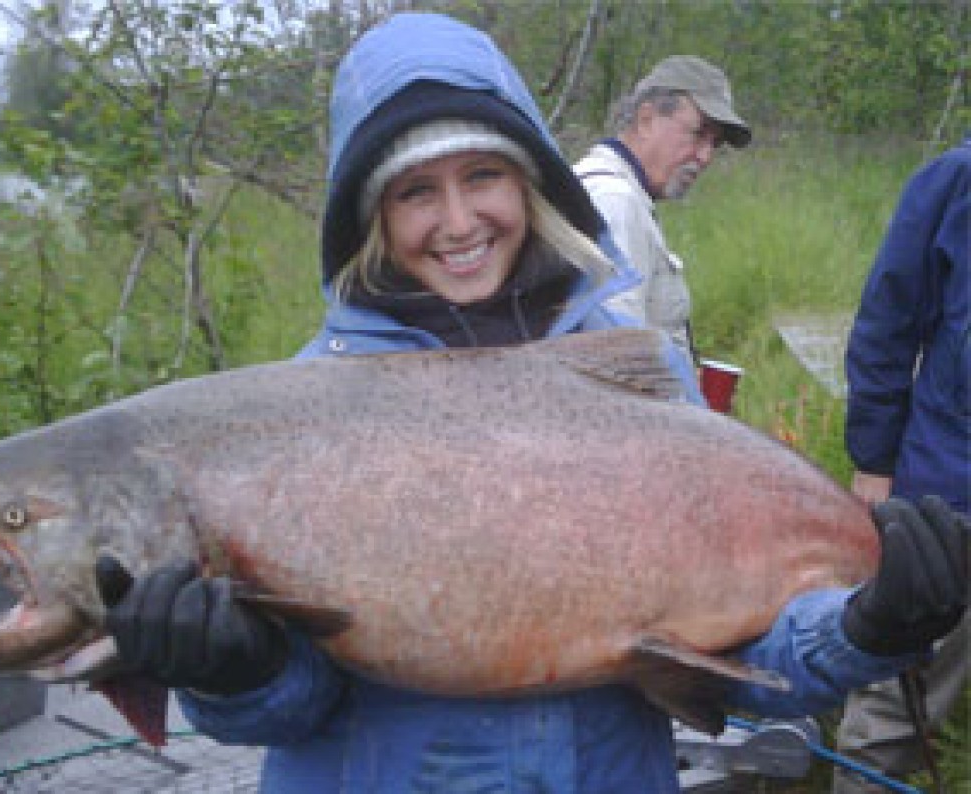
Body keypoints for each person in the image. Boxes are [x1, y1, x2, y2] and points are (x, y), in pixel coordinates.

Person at [94, 14, 969, 793]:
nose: (458, 219)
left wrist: (869, 625)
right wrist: (234, 672)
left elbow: (746, 661)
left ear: (530, 184)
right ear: (368, 213)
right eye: (414, 191)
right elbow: (293, 708)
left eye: (483, 174)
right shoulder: (297, 414)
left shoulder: (633, 366)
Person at [831, 137, 971, 794]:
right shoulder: (955, 180)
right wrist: (875, 463)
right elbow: (887, 323)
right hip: (947, 498)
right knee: (894, 707)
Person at [573, 55, 751, 365]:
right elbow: (615, 359)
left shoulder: (621, 194)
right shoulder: (615, 201)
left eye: (715, 143)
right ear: (646, 120)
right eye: (698, 133)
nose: (706, 156)